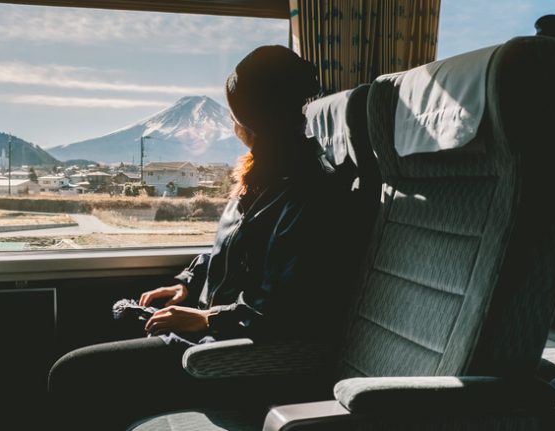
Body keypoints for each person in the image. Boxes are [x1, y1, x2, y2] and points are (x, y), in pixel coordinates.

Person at [47, 45, 359, 428]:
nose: (232, 122)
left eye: (236, 113)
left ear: (254, 119)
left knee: (73, 375)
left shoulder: (311, 193)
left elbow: (285, 307)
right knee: (90, 323)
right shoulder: (264, 177)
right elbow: (230, 249)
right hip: (215, 332)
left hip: (235, 356)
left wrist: (206, 319)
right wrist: (187, 283)